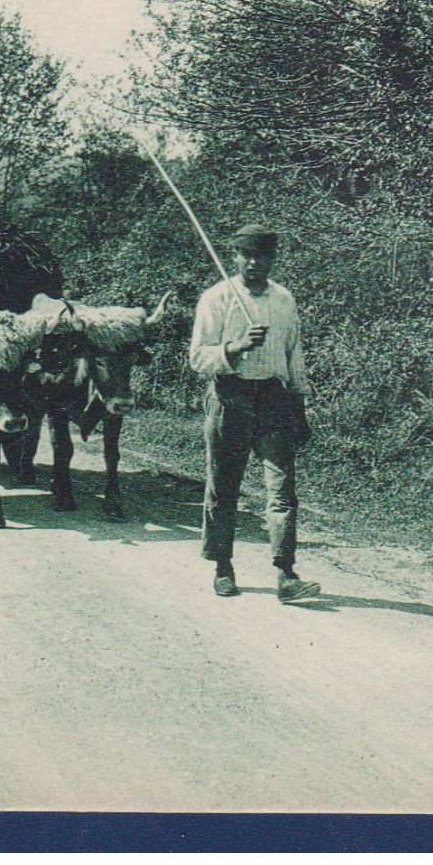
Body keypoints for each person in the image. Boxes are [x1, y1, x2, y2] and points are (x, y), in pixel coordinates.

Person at [189, 223, 320, 603]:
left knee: (282, 490)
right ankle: (223, 567)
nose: (253, 262)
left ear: (272, 259)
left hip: (274, 400)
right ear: (235, 257)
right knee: (223, 487)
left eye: (261, 255)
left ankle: (286, 574)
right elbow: (199, 358)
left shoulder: (283, 299)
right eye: (246, 255)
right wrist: (236, 348)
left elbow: (294, 354)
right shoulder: (216, 298)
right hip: (230, 399)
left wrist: (300, 403)